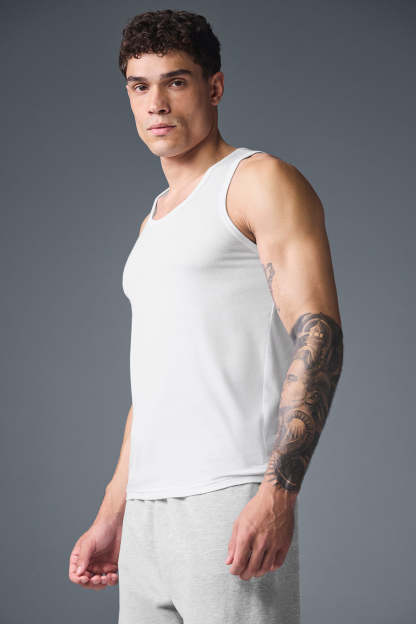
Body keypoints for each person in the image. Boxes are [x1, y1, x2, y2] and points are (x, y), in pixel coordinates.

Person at [68, 9, 344, 623]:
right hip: (147, 512)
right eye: (140, 86)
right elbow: (155, 383)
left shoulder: (257, 182)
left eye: (176, 81)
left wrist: (279, 490)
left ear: (213, 87)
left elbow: (319, 334)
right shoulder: (152, 222)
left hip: (229, 496)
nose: (157, 104)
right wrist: (113, 510)